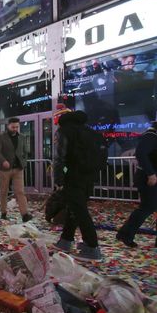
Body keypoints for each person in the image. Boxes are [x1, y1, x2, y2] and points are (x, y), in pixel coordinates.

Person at [53, 111, 103, 261]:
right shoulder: (92, 133)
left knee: (80, 211)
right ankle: (66, 240)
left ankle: (92, 246)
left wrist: (59, 178)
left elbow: (59, 157)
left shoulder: (64, 132)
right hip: (89, 177)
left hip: (73, 176)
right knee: (75, 207)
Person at [116, 109, 157, 249]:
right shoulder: (153, 135)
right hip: (152, 177)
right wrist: (151, 174)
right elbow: (141, 153)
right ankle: (125, 234)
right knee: (147, 207)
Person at [0, 117, 33, 222]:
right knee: (4, 191)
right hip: (5, 169)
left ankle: (25, 214)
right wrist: (3, 161)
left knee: (20, 192)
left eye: (17, 127)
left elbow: (25, 151)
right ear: (8, 126)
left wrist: (24, 162)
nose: (15, 129)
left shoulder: (22, 137)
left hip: (18, 168)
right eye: (13, 127)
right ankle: (3, 212)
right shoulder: (1, 137)